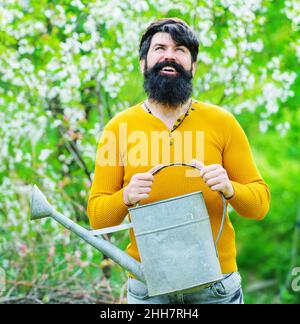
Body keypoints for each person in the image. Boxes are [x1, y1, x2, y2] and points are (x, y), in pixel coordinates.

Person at [87, 17, 270, 304]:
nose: (169, 55)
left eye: (180, 49)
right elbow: (98, 218)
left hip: (215, 289)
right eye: (159, 48)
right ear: (143, 63)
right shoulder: (117, 128)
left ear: (193, 66)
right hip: (148, 289)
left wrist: (230, 188)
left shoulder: (222, 123)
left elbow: (259, 205)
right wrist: (125, 196)